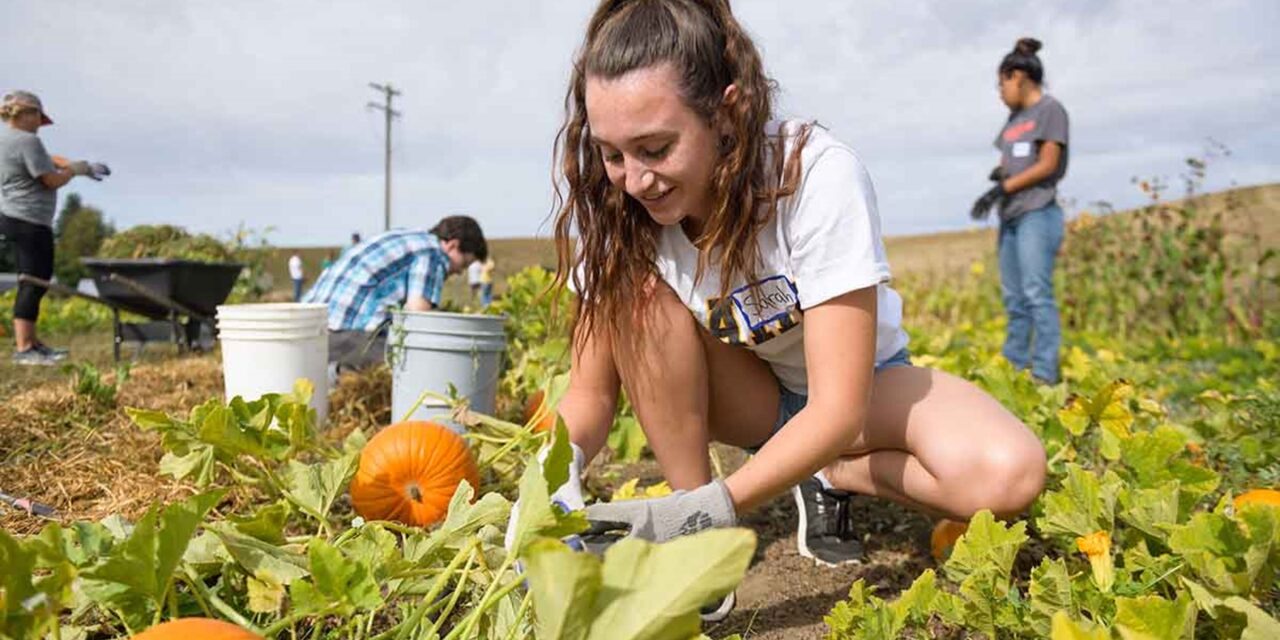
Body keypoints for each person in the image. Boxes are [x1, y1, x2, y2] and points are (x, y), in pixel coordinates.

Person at [528, 0, 1046, 621]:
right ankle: (699, 546)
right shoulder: (620, 216)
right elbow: (588, 396)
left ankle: (826, 476)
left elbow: (837, 405)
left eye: (656, 148)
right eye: (613, 154)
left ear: (728, 112)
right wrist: (550, 481)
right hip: (753, 398)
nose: (635, 181)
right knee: (636, 297)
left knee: (1007, 476)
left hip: (859, 397)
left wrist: (724, 499)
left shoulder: (815, 174)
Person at [970, 38, 1070, 385]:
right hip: (1010, 216)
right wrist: (999, 176)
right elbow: (1008, 160)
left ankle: (1044, 372)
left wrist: (1003, 188)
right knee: (1014, 297)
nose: (1000, 92)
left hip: (1037, 213)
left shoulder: (1050, 111)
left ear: (1018, 77)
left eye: (1002, 83)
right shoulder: (1014, 120)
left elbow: (1047, 164)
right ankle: (1014, 368)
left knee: (1036, 293)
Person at [1, 90, 109, 365]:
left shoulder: (8, 140)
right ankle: (25, 348)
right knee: (33, 280)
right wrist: (73, 173)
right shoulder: (27, 141)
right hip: (29, 219)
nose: (39, 123)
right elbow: (50, 179)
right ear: (27, 114)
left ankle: (33, 343)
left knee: (36, 278)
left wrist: (77, 164)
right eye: (37, 116)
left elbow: (50, 158)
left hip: (16, 216)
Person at [302, 216, 486, 372]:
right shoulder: (433, 254)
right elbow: (418, 317)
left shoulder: (406, 237)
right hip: (345, 335)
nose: (460, 272)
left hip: (309, 328)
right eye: (464, 264)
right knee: (413, 364)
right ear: (452, 245)